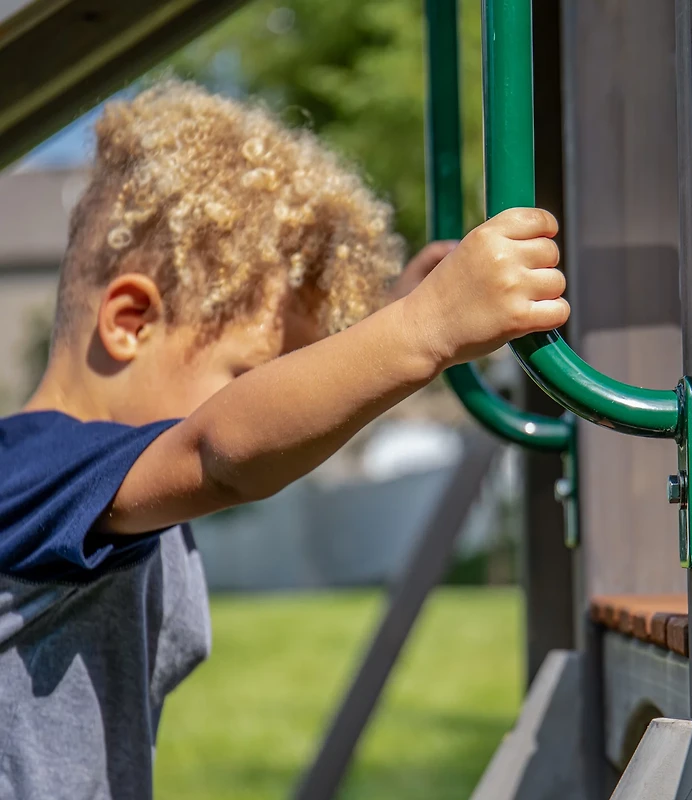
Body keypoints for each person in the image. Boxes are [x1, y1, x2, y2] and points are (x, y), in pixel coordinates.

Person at [0, 81, 568, 799]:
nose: (265, 402)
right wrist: (423, 328)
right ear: (130, 321)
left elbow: (278, 424)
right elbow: (224, 450)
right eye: (248, 375)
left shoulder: (108, 488)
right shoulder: (28, 470)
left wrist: (387, 319)